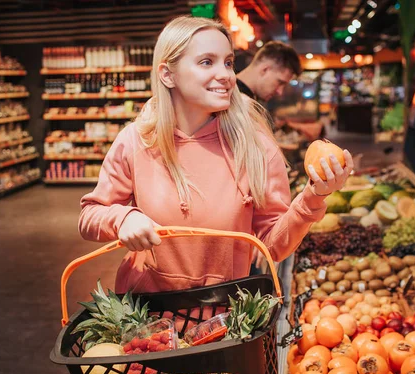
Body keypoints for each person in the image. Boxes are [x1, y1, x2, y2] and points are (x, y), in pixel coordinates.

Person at [78, 15, 354, 294]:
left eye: (229, 62)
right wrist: (122, 218)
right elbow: (90, 216)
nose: (226, 75)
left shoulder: (255, 146)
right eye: (207, 62)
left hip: (222, 318)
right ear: (167, 74)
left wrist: (313, 197)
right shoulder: (137, 140)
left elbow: (272, 245)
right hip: (147, 317)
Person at [236, 41, 301, 102]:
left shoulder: (241, 98)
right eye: (280, 82)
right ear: (265, 70)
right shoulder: (232, 99)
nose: (280, 92)